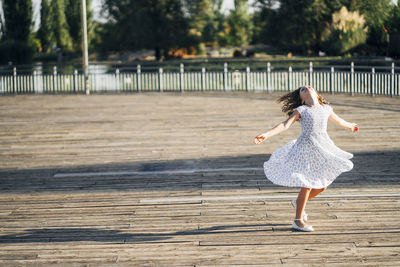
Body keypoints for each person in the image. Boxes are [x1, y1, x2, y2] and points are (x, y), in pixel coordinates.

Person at [254, 86, 358, 232]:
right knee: (307, 183)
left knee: (322, 185)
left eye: (310, 87)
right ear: (302, 99)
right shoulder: (302, 110)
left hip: (322, 147)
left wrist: (351, 125)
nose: (307, 88)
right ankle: (298, 221)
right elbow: (285, 125)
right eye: (303, 89)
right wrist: (266, 134)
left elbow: (339, 121)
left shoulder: (326, 108)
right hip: (305, 148)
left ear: (317, 94)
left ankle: (298, 202)